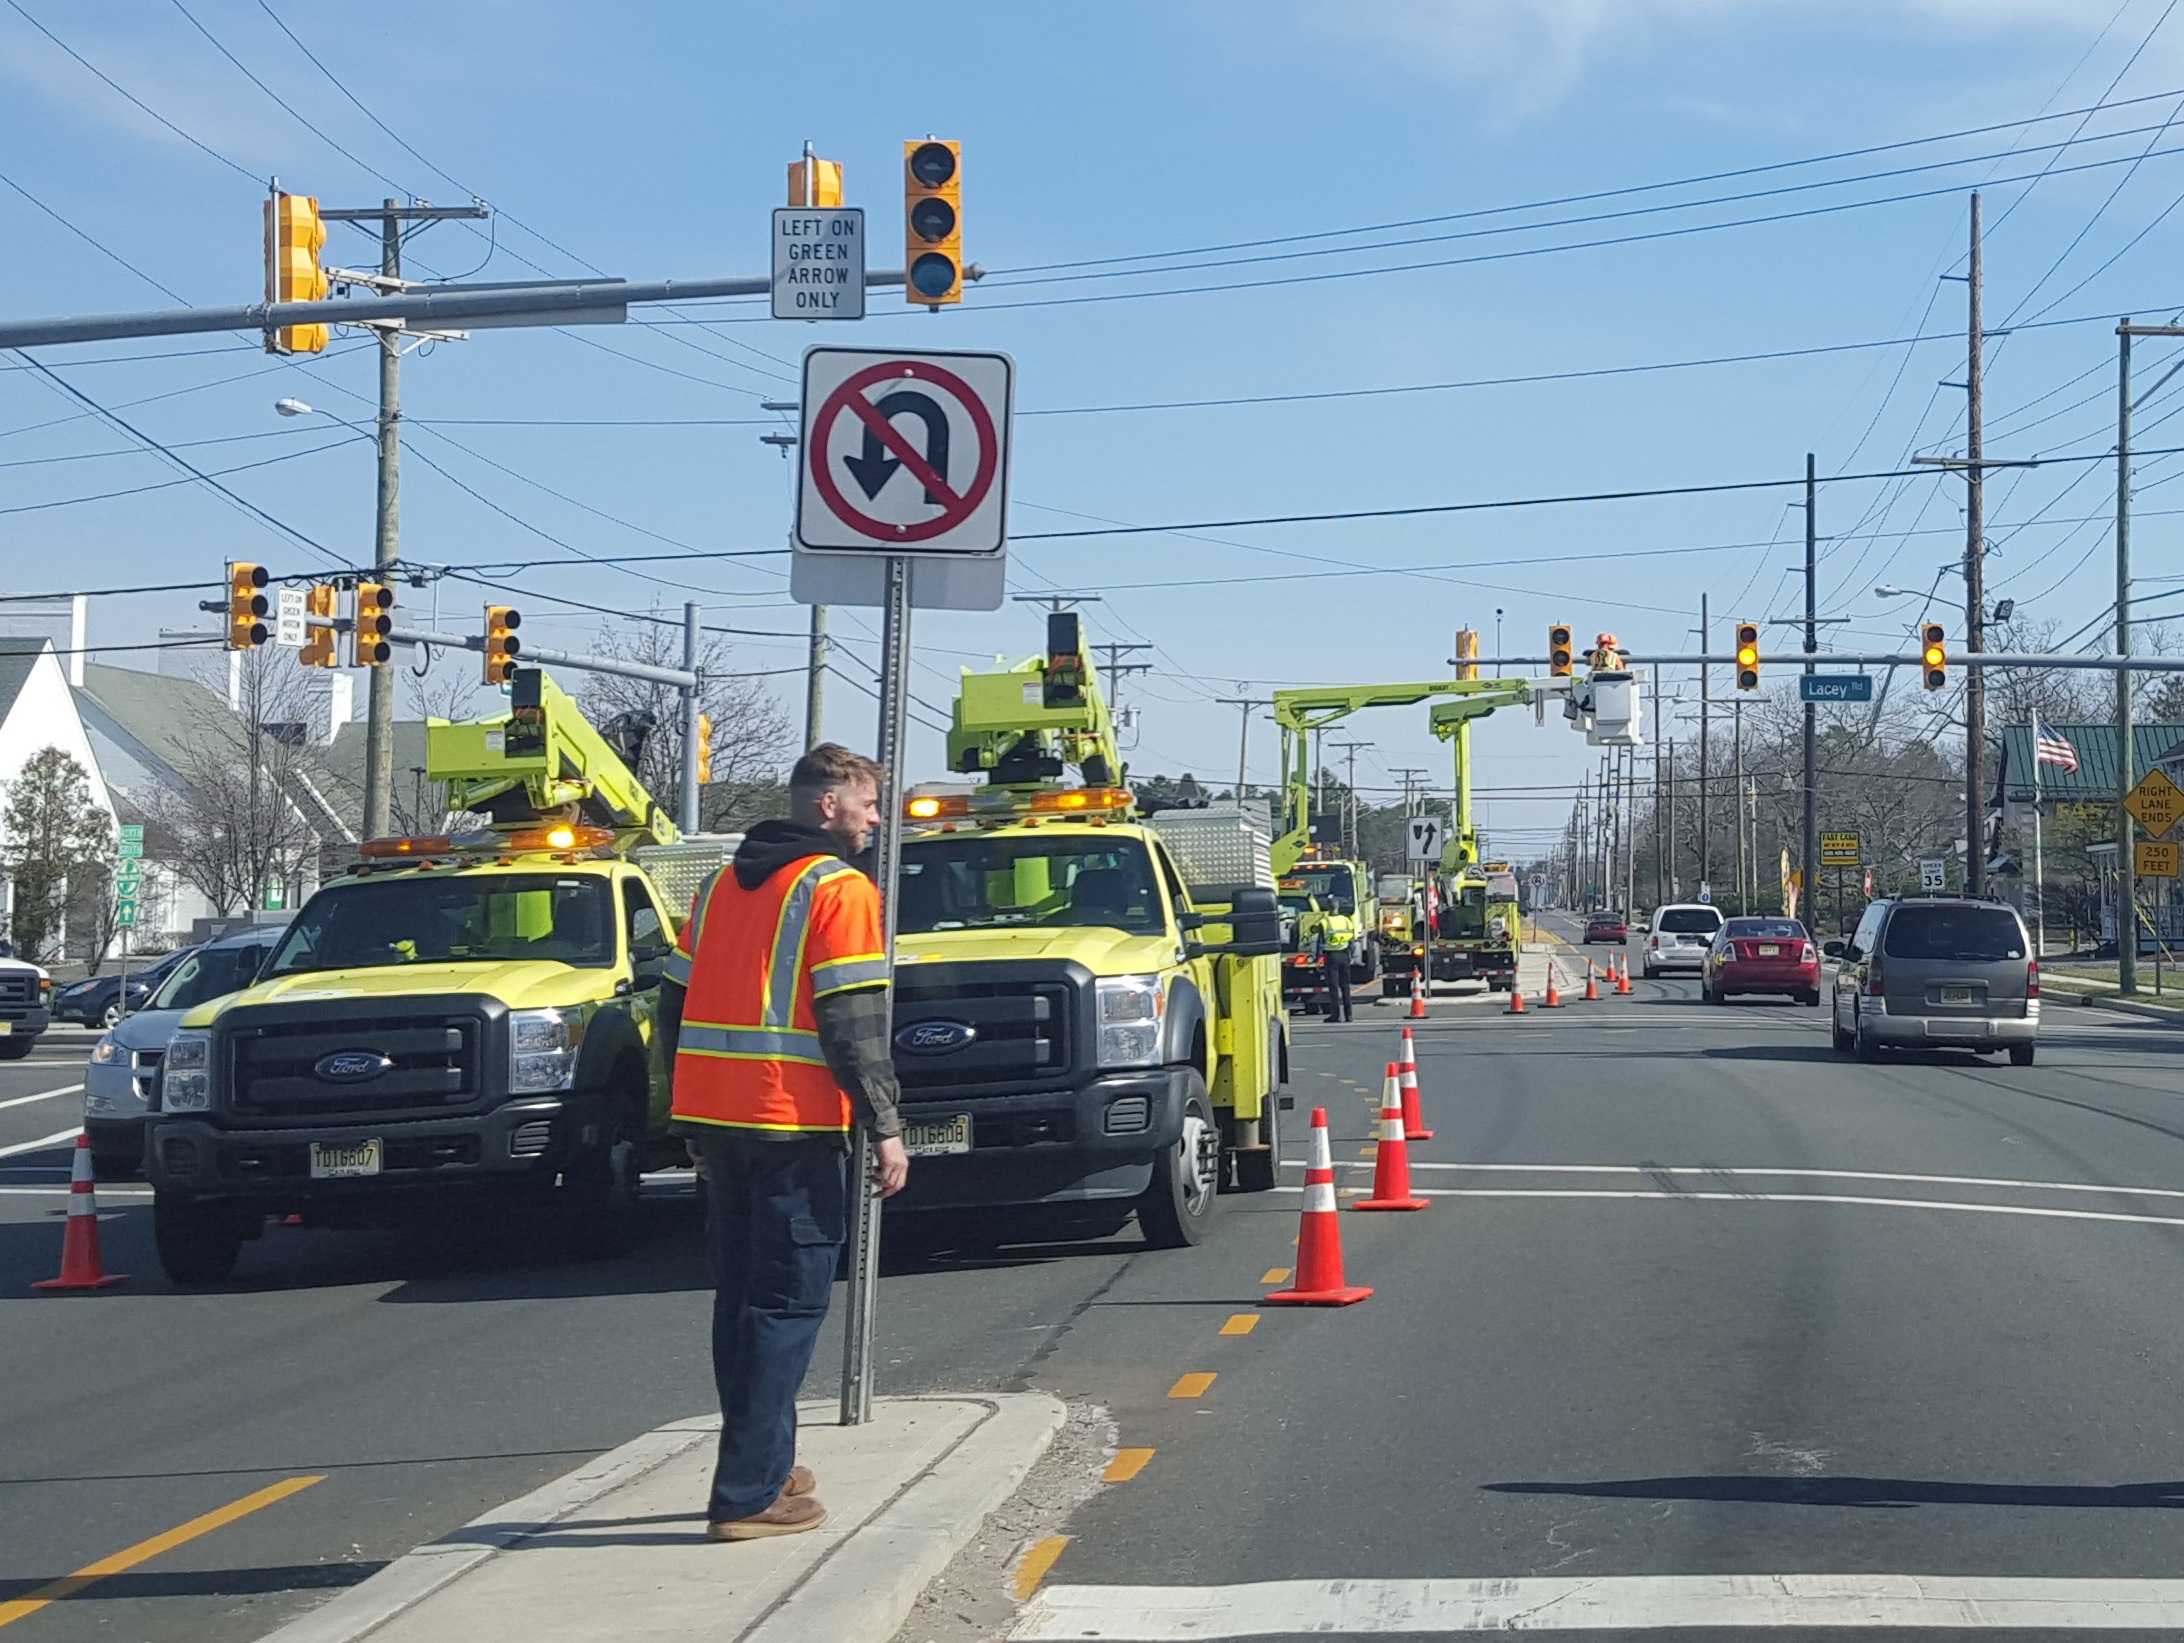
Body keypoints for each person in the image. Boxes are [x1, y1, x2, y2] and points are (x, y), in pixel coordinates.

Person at [659, 743, 910, 1541]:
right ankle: (747, 1494)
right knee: (786, 1301)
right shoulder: (838, 887)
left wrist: (689, 1116)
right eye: (870, 804)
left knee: (740, 1301)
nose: (877, 819)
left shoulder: (721, 884)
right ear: (828, 804)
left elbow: (673, 1000)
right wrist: (887, 1126)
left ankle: (768, 1461)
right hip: (792, 1121)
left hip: (723, 1122)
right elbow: (854, 1023)